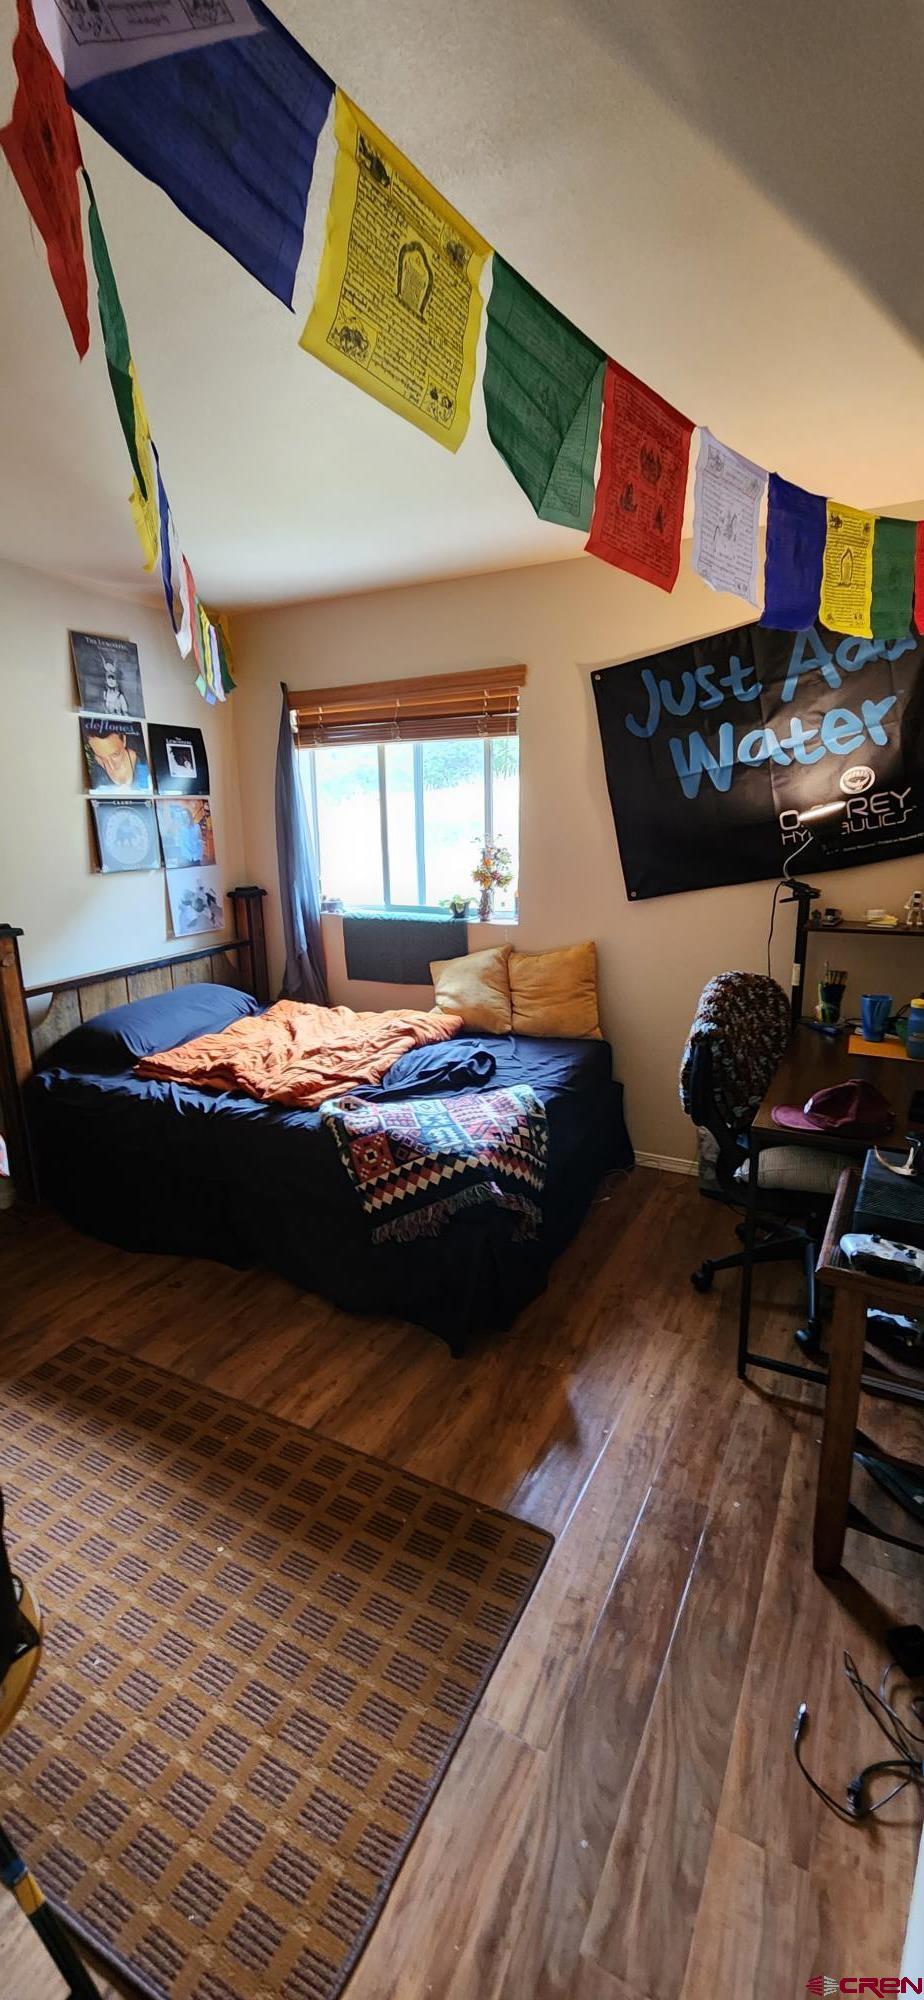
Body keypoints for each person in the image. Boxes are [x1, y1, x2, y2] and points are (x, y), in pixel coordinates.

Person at [83, 722, 149, 791]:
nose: (111, 767)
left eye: (115, 755)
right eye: (101, 758)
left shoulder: (146, 763)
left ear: (124, 740)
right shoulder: (95, 776)